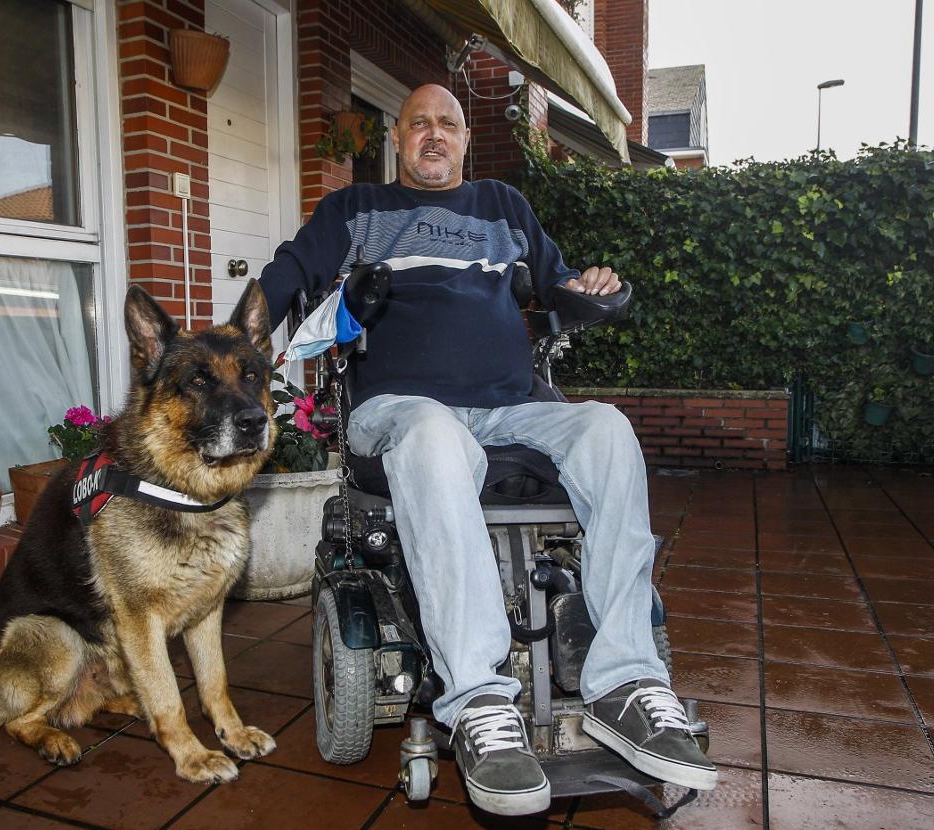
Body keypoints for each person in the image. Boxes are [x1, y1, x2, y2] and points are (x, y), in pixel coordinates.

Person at [258, 84, 716, 816]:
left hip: (513, 408)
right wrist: (239, 337)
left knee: (606, 430)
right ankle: (476, 700)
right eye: (418, 125)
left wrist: (584, 284)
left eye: (448, 124)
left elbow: (561, 282)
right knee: (436, 437)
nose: (433, 136)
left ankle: (625, 682)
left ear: (466, 139)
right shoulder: (357, 212)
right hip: (401, 411)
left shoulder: (505, 207)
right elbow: (290, 272)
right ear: (398, 139)